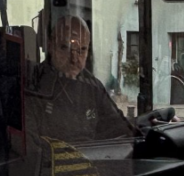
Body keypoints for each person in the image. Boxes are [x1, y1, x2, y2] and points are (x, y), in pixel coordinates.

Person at [27, 15, 136, 143]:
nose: (74, 59)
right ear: (51, 46)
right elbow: (31, 146)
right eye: (65, 48)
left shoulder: (93, 88)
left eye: (82, 50)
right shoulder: (34, 84)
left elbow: (119, 127)